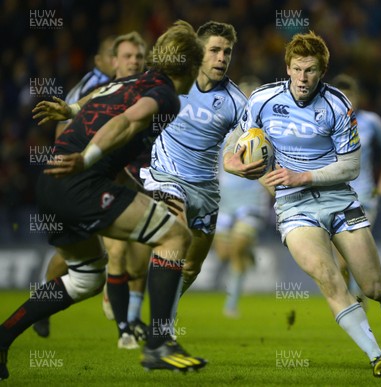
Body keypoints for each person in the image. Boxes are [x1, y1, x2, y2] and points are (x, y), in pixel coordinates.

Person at [0, 21, 205, 381]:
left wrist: (72, 112)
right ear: (189, 67)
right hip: (79, 177)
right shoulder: (166, 95)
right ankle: (158, 343)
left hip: (50, 183)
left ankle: (2, 338)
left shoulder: (130, 82)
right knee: (175, 237)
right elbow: (126, 122)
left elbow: (100, 100)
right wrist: (87, 158)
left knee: (85, 278)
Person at [223, 31, 381, 378]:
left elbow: (351, 166)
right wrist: (230, 162)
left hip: (339, 199)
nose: (302, 78)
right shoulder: (263, 99)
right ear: (287, 67)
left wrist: (303, 176)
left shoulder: (338, 105)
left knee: (372, 286)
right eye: (296, 69)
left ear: (321, 71)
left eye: (310, 70)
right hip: (293, 206)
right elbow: (240, 139)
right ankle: (377, 356)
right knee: (328, 276)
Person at [32, 31, 151, 350]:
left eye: (139, 57)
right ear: (114, 62)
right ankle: (119, 324)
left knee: (132, 255)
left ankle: (129, 322)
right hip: (87, 183)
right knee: (86, 257)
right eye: (128, 57)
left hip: (125, 181)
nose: (134, 62)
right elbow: (65, 131)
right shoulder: (95, 90)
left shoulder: (145, 92)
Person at [140, 21, 247, 308]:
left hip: (206, 190)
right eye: (214, 50)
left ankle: (165, 319)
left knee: (190, 267)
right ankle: (156, 327)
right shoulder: (171, 80)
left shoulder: (237, 102)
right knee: (177, 238)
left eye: (227, 52)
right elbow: (124, 96)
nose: (222, 58)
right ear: (199, 51)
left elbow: (246, 146)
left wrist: (247, 163)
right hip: (166, 177)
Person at [330, 74, 381, 300]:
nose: (347, 101)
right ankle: (359, 296)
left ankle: (358, 299)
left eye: (351, 95)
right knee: (341, 262)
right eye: (342, 96)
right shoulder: (323, 121)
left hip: (363, 197)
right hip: (332, 198)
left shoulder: (370, 122)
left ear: (358, 97)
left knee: (350, 254)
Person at [213, 77, 272, 318]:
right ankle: (249, 253)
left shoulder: (265, 132)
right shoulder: (225, 128)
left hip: (251, 199)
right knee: (224, 253)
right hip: (225, 199)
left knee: (236, 248)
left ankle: (231, 305)